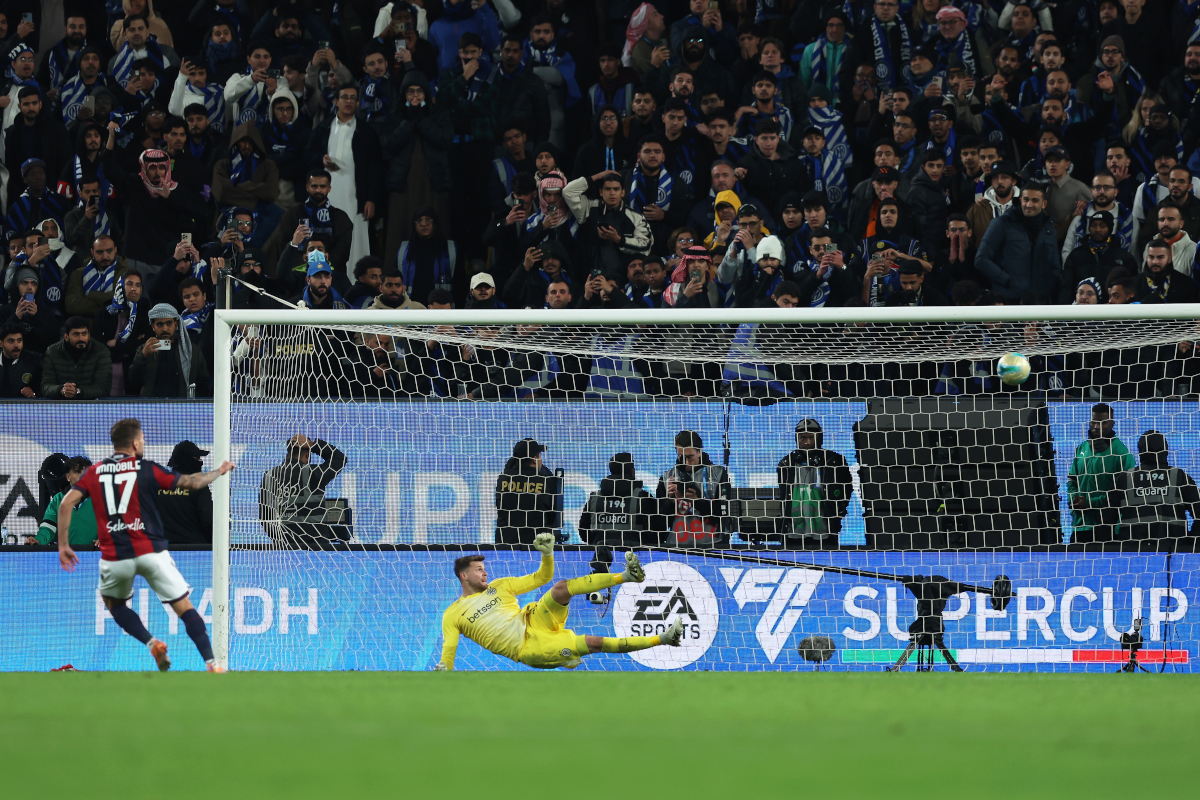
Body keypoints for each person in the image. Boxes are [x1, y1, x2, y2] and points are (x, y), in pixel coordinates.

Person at [56, 418, 235, 672]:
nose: (143, 442)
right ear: (134, 443)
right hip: (151, 550)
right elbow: (193, 482)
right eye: (141, 438)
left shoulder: (95, 472)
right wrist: (219, 471)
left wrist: (63, 545)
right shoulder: (147, 469)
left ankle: (152, 643)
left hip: (115, 554)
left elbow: (65, 505)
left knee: (114, 605)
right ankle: (212, 663)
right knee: (184, 607)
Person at [436, 538, 682, 671]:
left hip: (533, 618)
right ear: (464, 576)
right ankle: (664, 638)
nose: (485, 573)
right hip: (529, 647)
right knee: (595, 643)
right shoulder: (453, 614)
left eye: (484, 568)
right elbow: (449, 649)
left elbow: (541, 578)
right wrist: (444, 667)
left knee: (561, 588)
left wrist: (547, 554)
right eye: (479, 570)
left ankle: (627, 576)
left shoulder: (499, 585)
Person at [306, 84, 383, 270]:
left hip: (356, 197)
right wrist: (321, 159)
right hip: (326, 197)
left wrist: (371, 199)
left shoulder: (366, 132)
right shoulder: (323, 127)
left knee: (357, 240)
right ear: (336, 101)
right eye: (344, 97)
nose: (348, 101)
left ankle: (356, 280)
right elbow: (307, 155)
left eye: (352, 98)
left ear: (358, 103)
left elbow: (376, 169)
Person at [974, 180, 1061, 303]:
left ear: (1044, 204)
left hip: (1040, 302)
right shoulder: (1001, 223)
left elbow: (1055, 265)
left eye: (1035, 200)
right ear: (1020, 200)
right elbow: (981, 259)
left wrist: (1048, 286)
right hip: (1008, 300)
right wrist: (1006, 280)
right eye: (1026, 199)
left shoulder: (1049, 229)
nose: (1029, 204)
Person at [258, 434, 349, 550]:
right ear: (307, 454)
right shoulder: (313, 473)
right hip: (316, 549)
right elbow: (340, 459)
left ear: (288, 453)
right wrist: (313, 445)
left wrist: (279, 539)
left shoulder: (269, 476)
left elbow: (264, 516)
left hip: (283, 549)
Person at [775, 419, 853, 547]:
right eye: (803, 438)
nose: (808, 442)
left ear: (819, 438)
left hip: (825, 531)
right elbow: (783, 496)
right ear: (796, 439)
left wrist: (838, 512)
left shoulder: (834, 461)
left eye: (812, 437)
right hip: (792, 532)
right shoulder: (786, 464)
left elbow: (847, 489)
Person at [1115, 431, 1200, 547]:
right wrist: (1191, 542)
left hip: (1132, 551)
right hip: (1172, 551)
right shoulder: (1179, 477)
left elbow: (1106, 516)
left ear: (1140, 451)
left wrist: (1112, 545)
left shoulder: (1125, 478)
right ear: (1166, 450)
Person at [1067, 403, 1136, 544]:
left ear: (1112, 424)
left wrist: (1089, 503)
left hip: (1108, 529)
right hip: (1081, 526)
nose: (1096, 427)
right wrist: (1073, 499)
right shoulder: (1081, 448)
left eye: (1102, 423)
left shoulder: (1122, 454)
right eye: (1093, 422)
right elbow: (1072, 481)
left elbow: (1124, 494)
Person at [654, 430, 732, 548]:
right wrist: (670, 501)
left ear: (699, 452)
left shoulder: (718, 474)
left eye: (690, 457)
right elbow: (658, 523)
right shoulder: (667, 478)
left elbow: (723, 514)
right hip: (677, 547)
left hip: (712, 546)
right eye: (681, 457)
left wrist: (696, 501)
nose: (686, 462)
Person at [128, 303, 211, 398]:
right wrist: (143, 356)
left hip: (182, 405)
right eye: (160, 324)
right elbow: (133, 382)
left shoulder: (192, 351)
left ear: (175, 324)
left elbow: (203, 383)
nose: (165, 329)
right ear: (153, 326)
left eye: (169, 323)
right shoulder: (145, 350)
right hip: (152, 405)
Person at [1057, 211, 1140, 303]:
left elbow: (1132, 289)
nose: (1097, 229)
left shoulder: (1124, 257)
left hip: (1112, 308)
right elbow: (1066, 287)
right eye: (1094, 225)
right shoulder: (1076, 255)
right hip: (1081, 307)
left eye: (1102, 226)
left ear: (1110, 228)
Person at [579, 452, 660, 546]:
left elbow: (584, 533)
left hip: (601, 554)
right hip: (635, 554)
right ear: (632, 471)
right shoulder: (643, 497)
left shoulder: (594, 498)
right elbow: (655, 535)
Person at [495, 438, 564, 544]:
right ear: (534, 459)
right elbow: (553, 519)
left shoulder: (503, 478)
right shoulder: (546, 481)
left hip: (505, 544)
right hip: (536, 546)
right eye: (540, 456)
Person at [155, 441, 215, 546]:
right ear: (187, 460)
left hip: (162, 547)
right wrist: (210, 544)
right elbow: (208, 520)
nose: (200, 461)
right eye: (197, 458)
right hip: (194, 548)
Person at [40, 316, 111, 400]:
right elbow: (46, 386)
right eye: (76, 334)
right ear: (66, 337)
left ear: (89, 335)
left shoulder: (101, 351)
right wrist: (62, 390)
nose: (81, 338)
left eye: (84, 334)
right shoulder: (52, 351)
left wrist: (78, 391)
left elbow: (103, 388)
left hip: (91, 403)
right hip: (61, 403)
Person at [33, 456, 95, 546]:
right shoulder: (57, 499)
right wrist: (38, 540)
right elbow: (48, 527)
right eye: (77, 472)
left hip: (94, 554)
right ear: (68, 477)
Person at [1137, 238, 1200, 304]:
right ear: (1147, 258)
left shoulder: (1187, 285)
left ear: (1169, 259)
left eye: (1160, 257)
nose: (1155, 261)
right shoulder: (1134, 284)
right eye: (1151, 257)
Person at [0, 323, 40, 397]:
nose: (16, 345)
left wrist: (34, 393)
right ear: (1, 344)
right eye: (11, 341)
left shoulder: (34, 360)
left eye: (19, 341)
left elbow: (45, 387)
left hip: (23, 403)